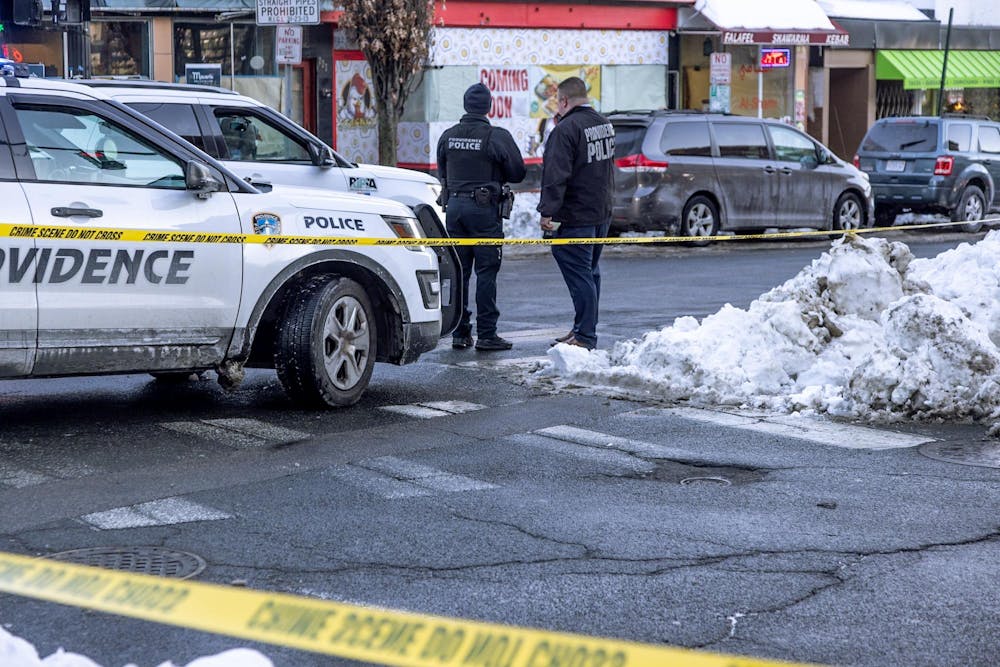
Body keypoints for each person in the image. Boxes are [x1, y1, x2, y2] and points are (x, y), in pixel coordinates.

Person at [437, 83, 526, 351]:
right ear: (487, 107)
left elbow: (442, 171)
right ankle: (487, 334)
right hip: (484, 212)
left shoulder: (448, 136)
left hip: (454, 210)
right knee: (486, 271)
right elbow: (518, 172)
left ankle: (459, 332)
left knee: (459, 273)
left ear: (465, 105)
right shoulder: (495, 136)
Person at [537, 77, 615, 351]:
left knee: (580, 274)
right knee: (590, 272)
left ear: (564, 101)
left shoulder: (566, 130)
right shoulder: (604, 124)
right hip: (600, 212)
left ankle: (585, 335)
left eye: (558, 102)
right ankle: (582, 328)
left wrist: (548, 211)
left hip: (574, 215)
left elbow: (556, 175)